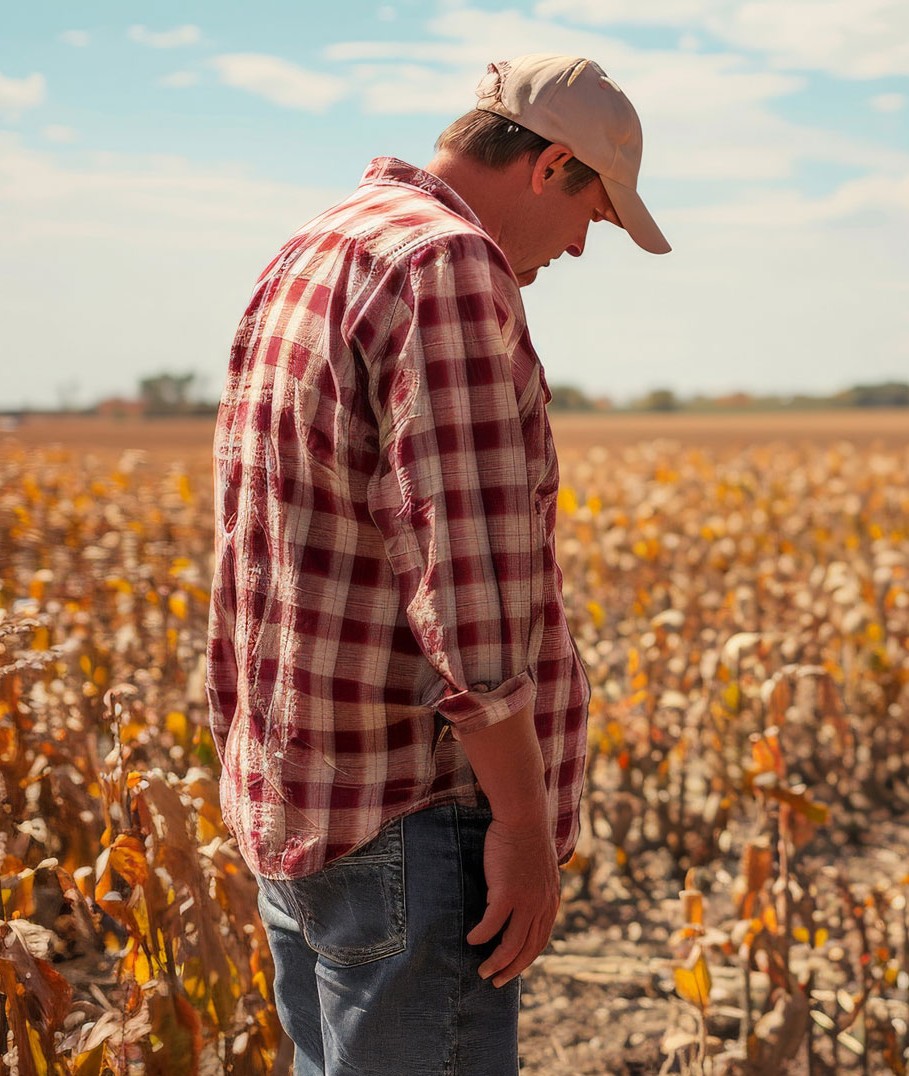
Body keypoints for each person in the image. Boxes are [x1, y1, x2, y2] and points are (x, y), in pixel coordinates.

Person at [206, 54, 668, 1075]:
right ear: (549, 167)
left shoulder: (318, 244)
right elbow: (467, 586)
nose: (587, 245)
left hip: (300, 796)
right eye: (595, 207)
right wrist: (523, 820)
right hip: (409, 814)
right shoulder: (449, 266)